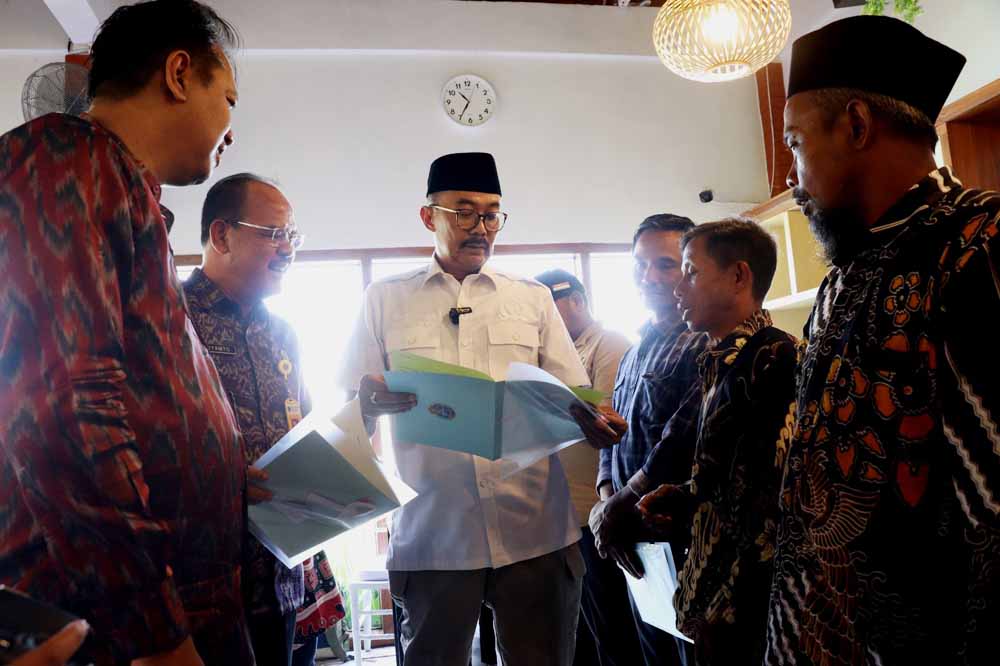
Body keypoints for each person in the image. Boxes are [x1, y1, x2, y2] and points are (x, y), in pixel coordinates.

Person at [0, 1, 245, 664]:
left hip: (157, 605)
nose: (231, 129)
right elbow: (64, 407)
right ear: (178, 73)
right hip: (105, 620)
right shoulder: (64, 156)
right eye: (228, 99)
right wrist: (154, 632)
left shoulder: (118, 183)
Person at [766, 15, 1000, 665]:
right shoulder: (845, 276)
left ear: (857, 125)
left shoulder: (976, 248)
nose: (791, 179)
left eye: (795, 143)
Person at [339, 152, 625, 666]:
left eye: (493, 215)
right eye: (465, 212)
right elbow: (349, 408)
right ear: (428, 216)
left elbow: (573, 395)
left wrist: (596, 420)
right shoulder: (384, 300)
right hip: (435, 532)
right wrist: (367, 403)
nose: (481, 228)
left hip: (534, 530)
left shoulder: (531, 298)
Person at [183, 173, 348, 666]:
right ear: (221, 235)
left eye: (292, 235)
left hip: (280, 577)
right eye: (274, 234)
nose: (288, 249)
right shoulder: (169, 320)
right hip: (197, 584)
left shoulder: (283, 333)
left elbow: (304, 428)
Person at [636, 218, 796, 665]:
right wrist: (685, 496)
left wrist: (723, 603)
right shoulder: (721, 358)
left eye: (690, 272)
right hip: (713, 593)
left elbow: (767, 503)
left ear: (739, 276)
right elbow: (728, 477)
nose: (677, 288)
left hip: (745, 603)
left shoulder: (773, 357)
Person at [588, 214, 708, 666]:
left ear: (692, 269)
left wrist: (616, 510)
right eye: (641, 265)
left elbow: (677, 446)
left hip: (680, 540)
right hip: (631, 541)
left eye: (665, 264)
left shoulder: (704, 343)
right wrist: (607, 503)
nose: (649, 277)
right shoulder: (634, 351)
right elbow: (611, 437)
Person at [535, 269, 640, 666]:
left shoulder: (607, 344)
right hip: (564, 514)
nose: (542, 323)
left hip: (596, 508)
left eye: (549, 310)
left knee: (614, 630)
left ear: (577, 300)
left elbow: (609, 423)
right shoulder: (556, 355)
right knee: (585, 633)